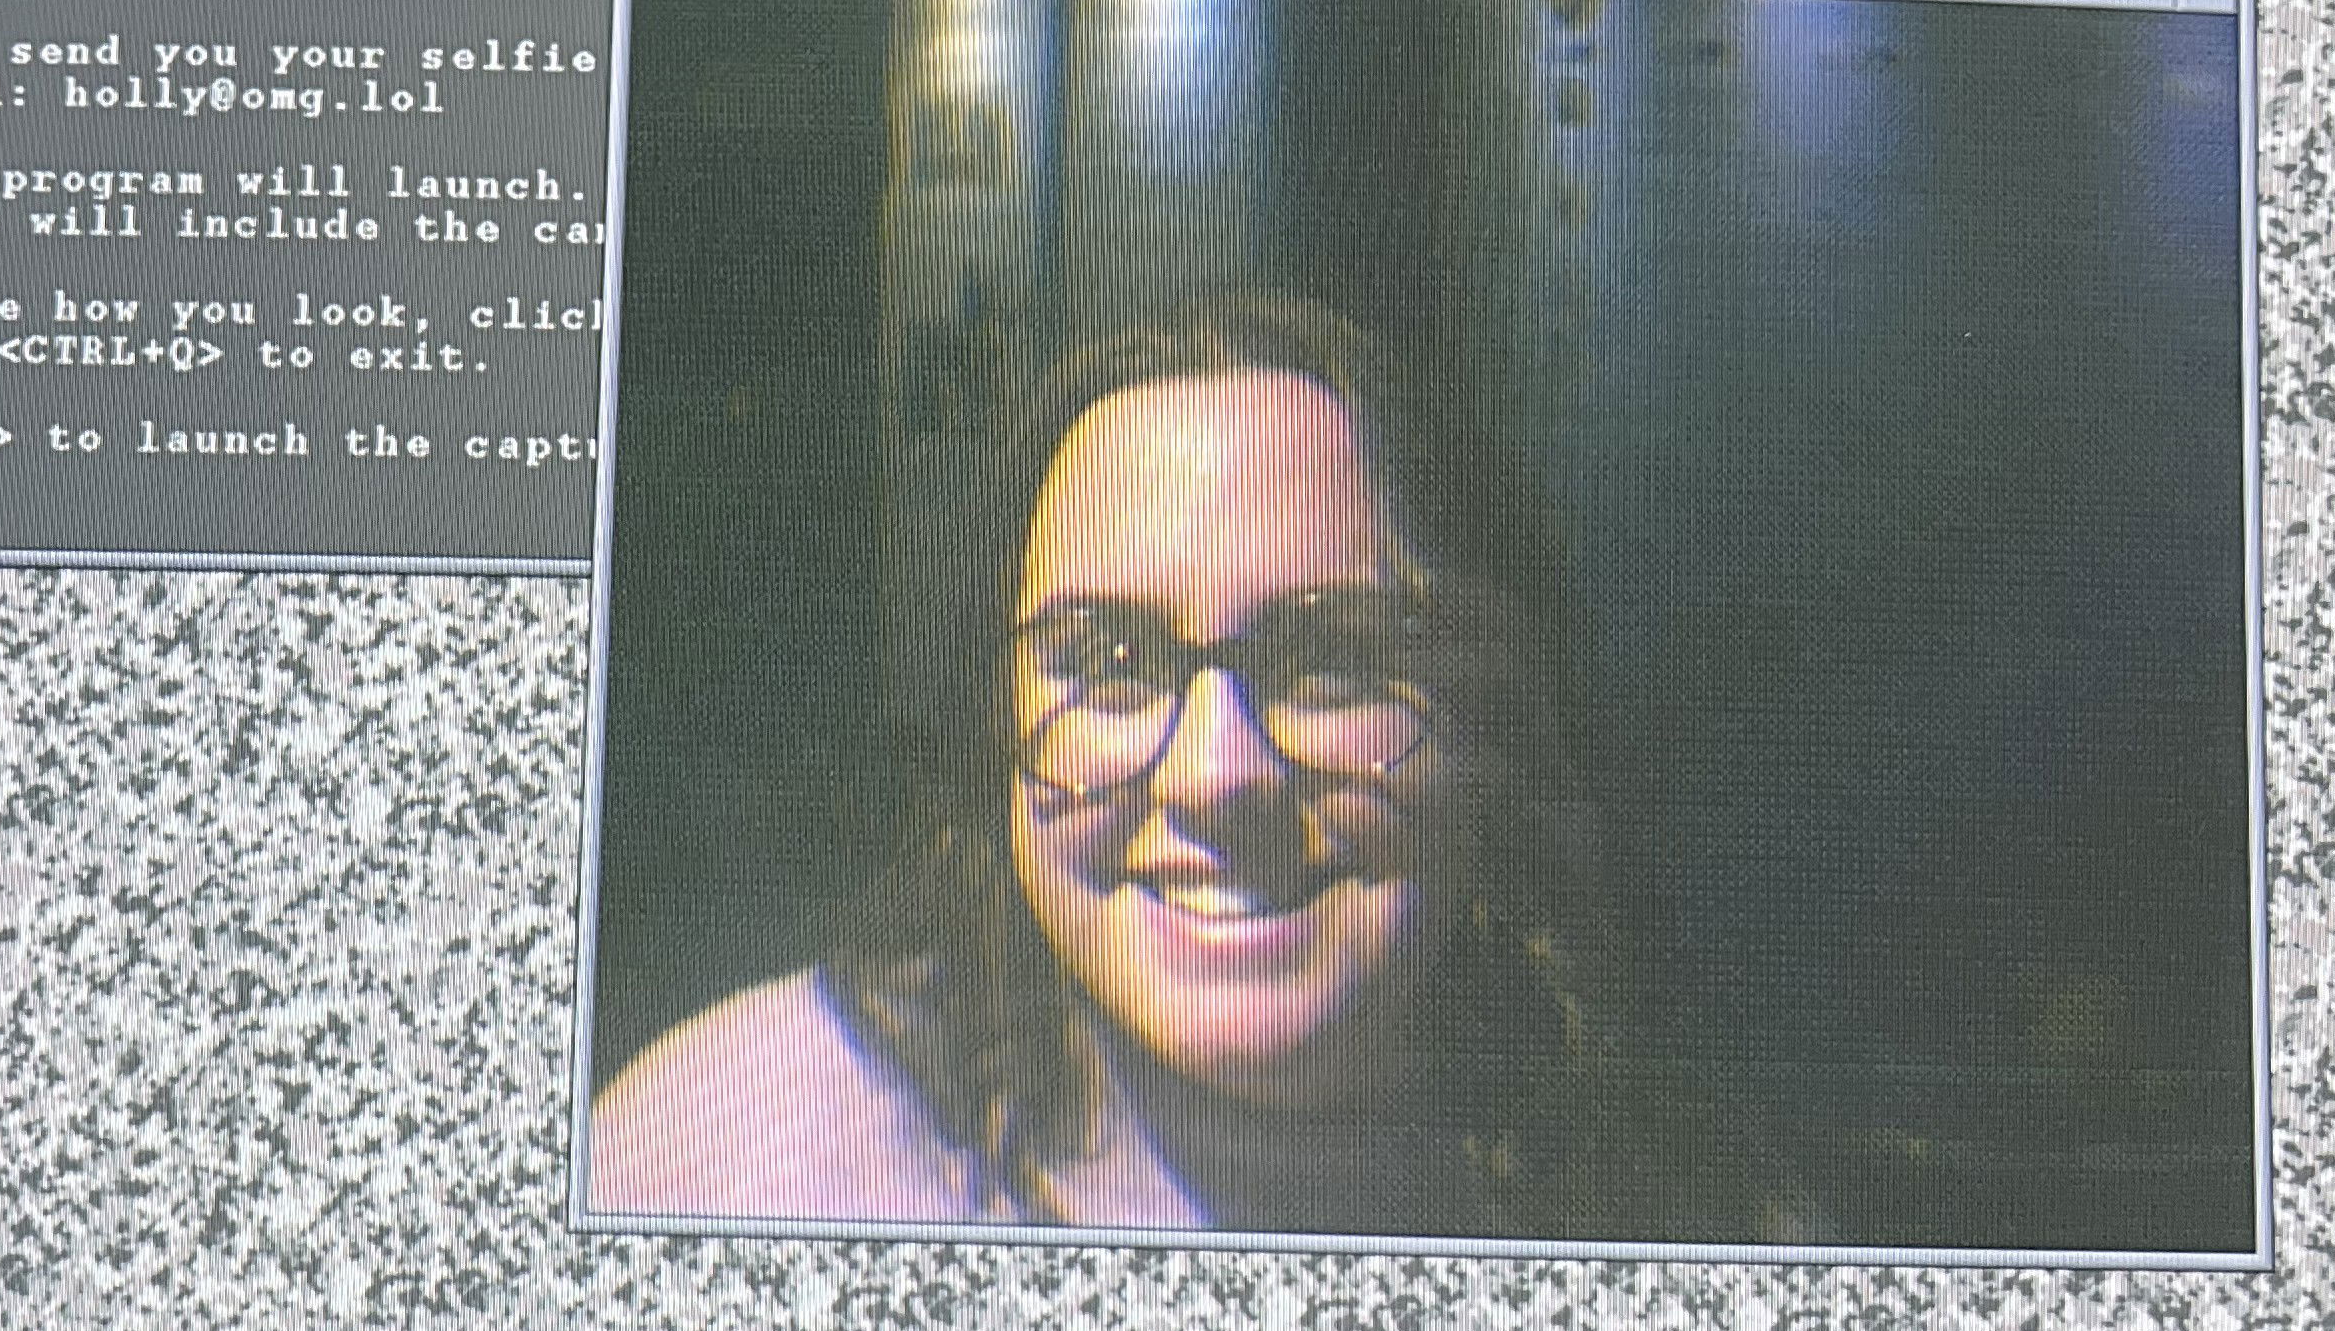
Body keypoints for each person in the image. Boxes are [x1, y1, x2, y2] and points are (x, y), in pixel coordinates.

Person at [587, 292, 1690, 1241]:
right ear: (997, 725)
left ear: (1485, 733)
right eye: (1110, 663)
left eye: (1336, 660)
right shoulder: (724, 1167)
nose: (1219, 775)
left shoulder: (1665, 1208)